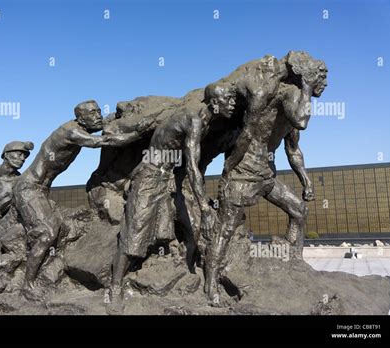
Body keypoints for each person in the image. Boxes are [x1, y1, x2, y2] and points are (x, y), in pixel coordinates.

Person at [204, 52, 328, 302]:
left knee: (298, 210)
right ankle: (210, 285)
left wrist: (305, 180)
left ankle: (294, 262)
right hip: (244, 171)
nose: (325, 84)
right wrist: (229, 169)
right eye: (321, 77)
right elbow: (302, 119)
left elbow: (293, 150)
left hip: (266, 176)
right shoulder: (288, 95)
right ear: (308, 76)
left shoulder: (294, 110)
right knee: (224, 230)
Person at [107, 83, 236, 313]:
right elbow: (193, 168)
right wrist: (205, 208)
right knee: (133, 236)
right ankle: (115, 289)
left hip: (166, 179)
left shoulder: (203, 120)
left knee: (176, 229)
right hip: (149, 177)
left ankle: (183, 278)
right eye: (228, 98)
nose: (233, 102)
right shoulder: (194, 120)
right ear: (214, 103)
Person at [14, 100, 153, 300]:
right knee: (48, 233)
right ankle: (27, 285)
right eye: (93, 113)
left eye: (98, 111)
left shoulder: (80, 127)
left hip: (41, 189)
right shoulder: (71, 132)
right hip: (29, 188)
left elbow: (103, 128)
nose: (98, 115)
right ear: (81, 118)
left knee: (59, 231)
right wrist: (139, 132)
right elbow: (102, 141)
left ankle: (45, 273)